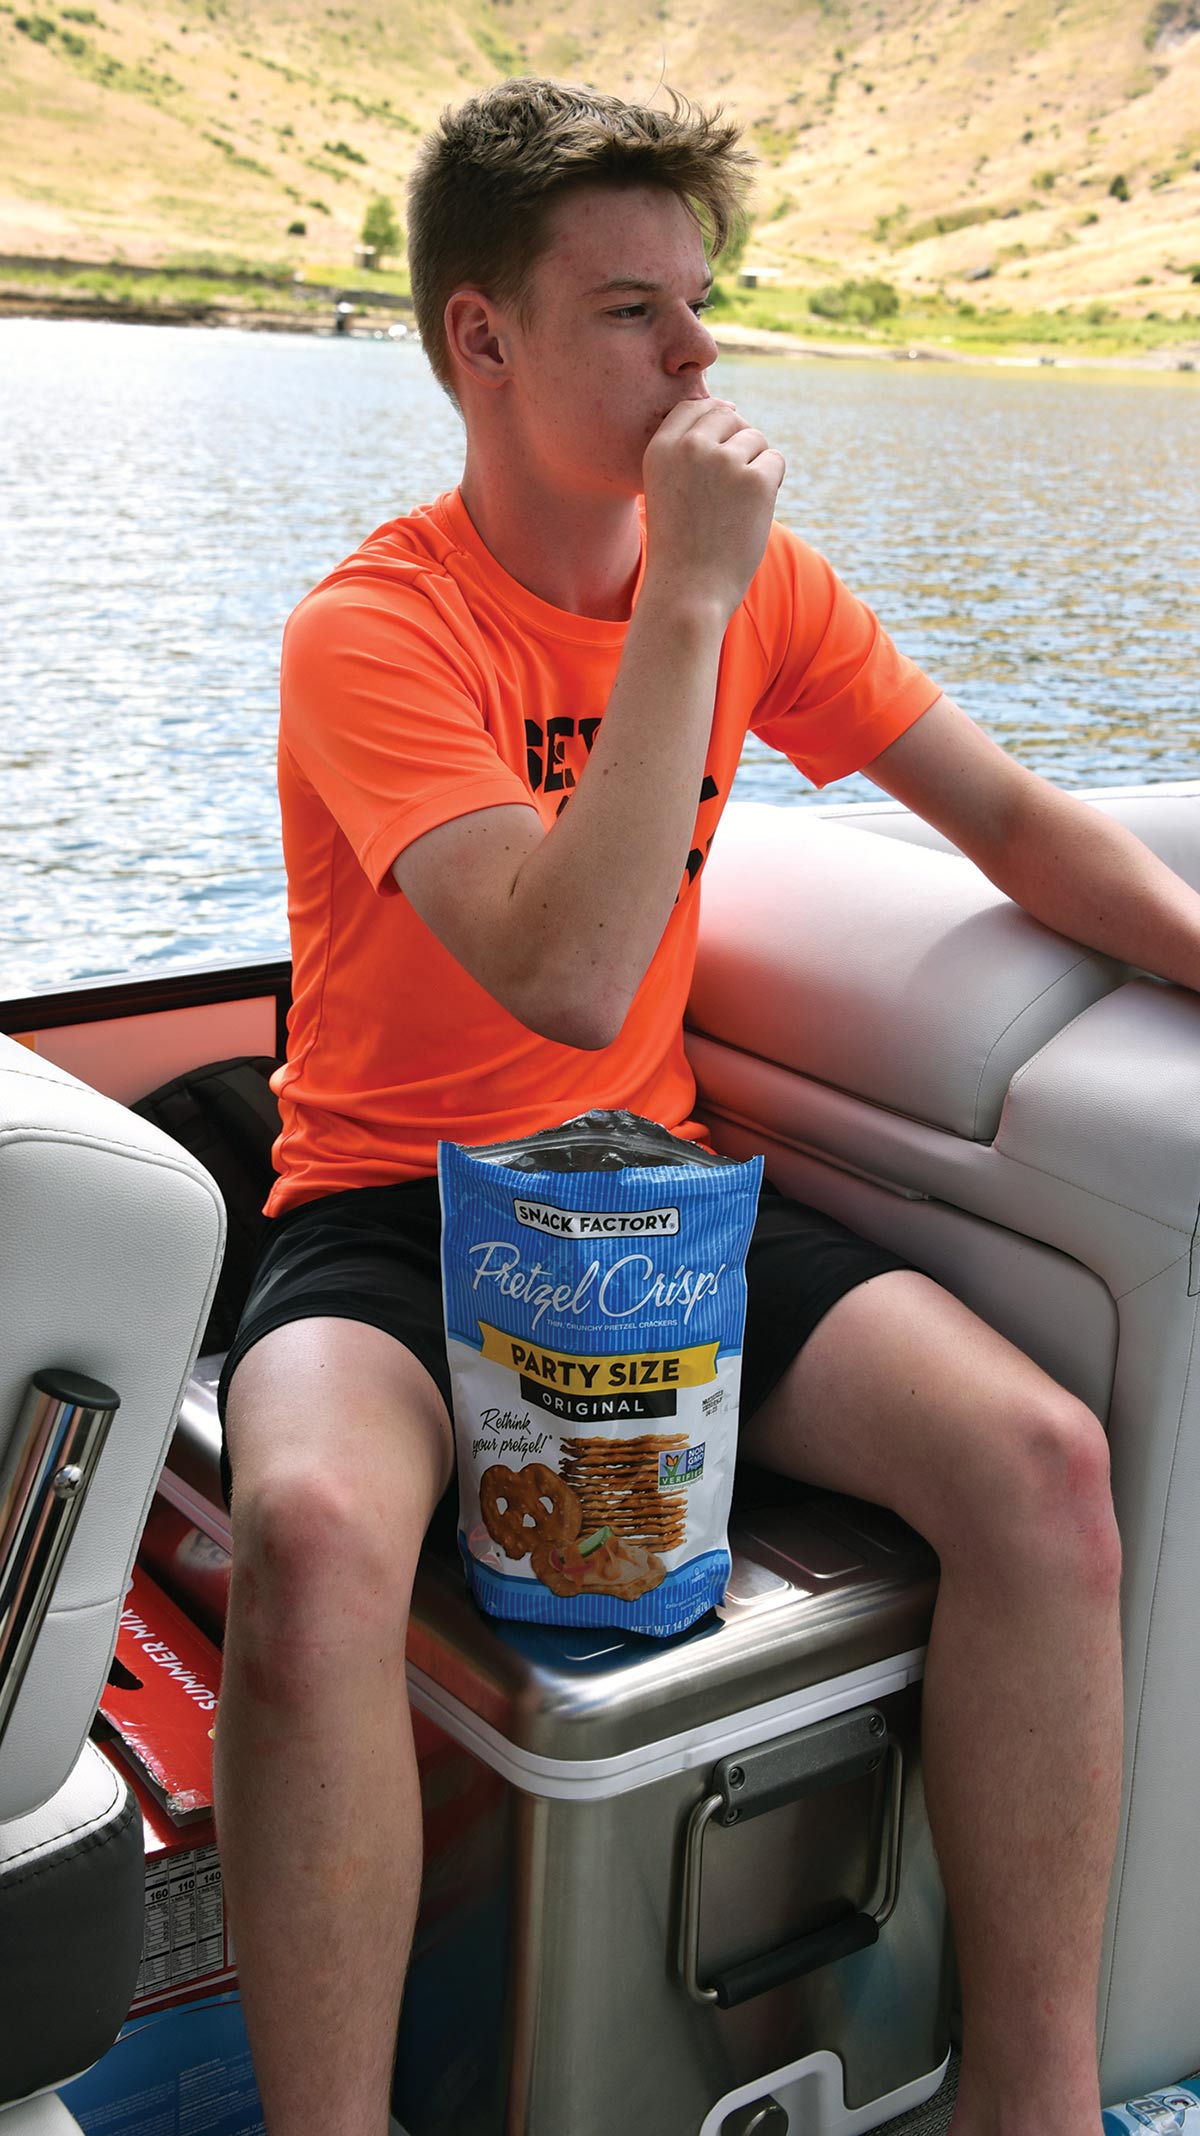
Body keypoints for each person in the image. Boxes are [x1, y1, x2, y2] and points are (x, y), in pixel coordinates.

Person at [213, 77, 1200, 2136]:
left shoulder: (771, 590)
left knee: (1041, 1472)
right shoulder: (375, 634)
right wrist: (684, 596)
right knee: (310, 1543)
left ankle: (1030, 2105)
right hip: (397, 1205)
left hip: (653, 1196)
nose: (701, 355)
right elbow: (563, 967)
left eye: (705, 302)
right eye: (635, 312)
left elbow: (1016, 823)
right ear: (480, 339)